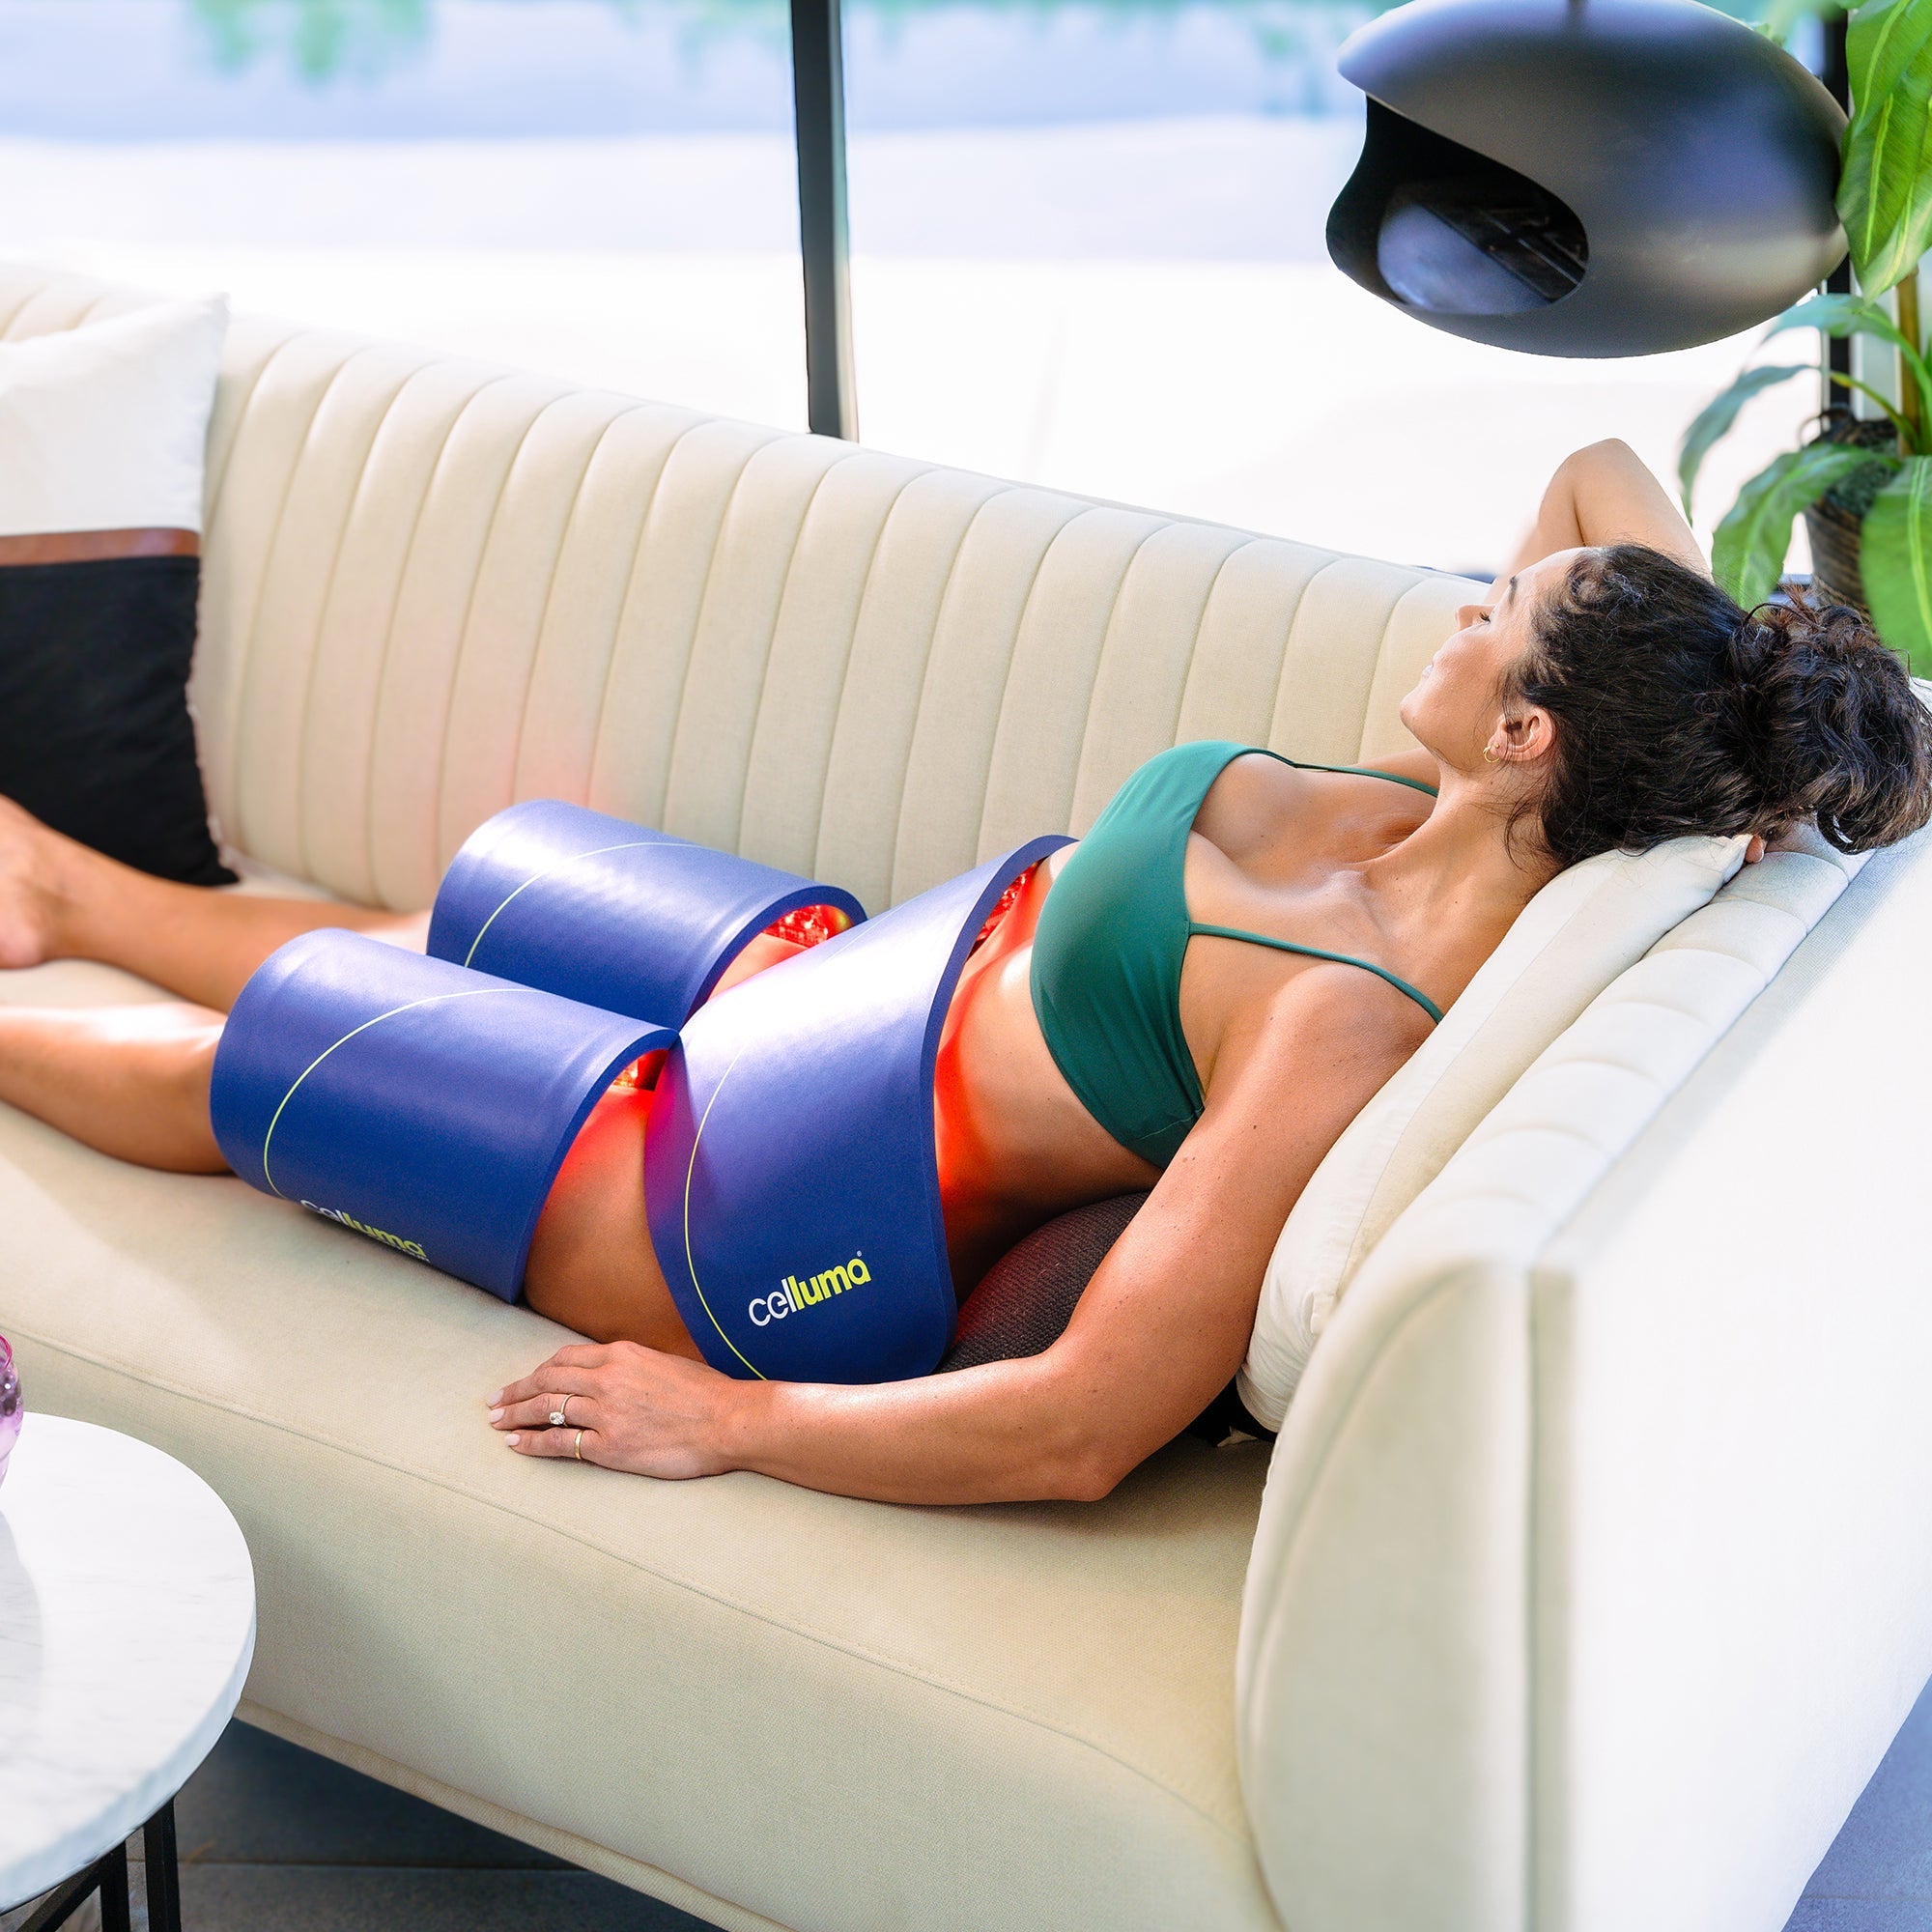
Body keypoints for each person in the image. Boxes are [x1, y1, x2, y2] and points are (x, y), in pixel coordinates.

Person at [0, 440, 1926, 1503]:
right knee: (461, 903)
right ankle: (71, 896)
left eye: (1493, 613)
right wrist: (1792, 728)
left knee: (268, 1062)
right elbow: (1600, 473)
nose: (1466, 592)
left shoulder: (1341, 1021)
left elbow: (1090, 1415)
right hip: (850, 993)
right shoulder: (1461, 798)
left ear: (1530, 741)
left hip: (745, 1203)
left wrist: (735, 1422)